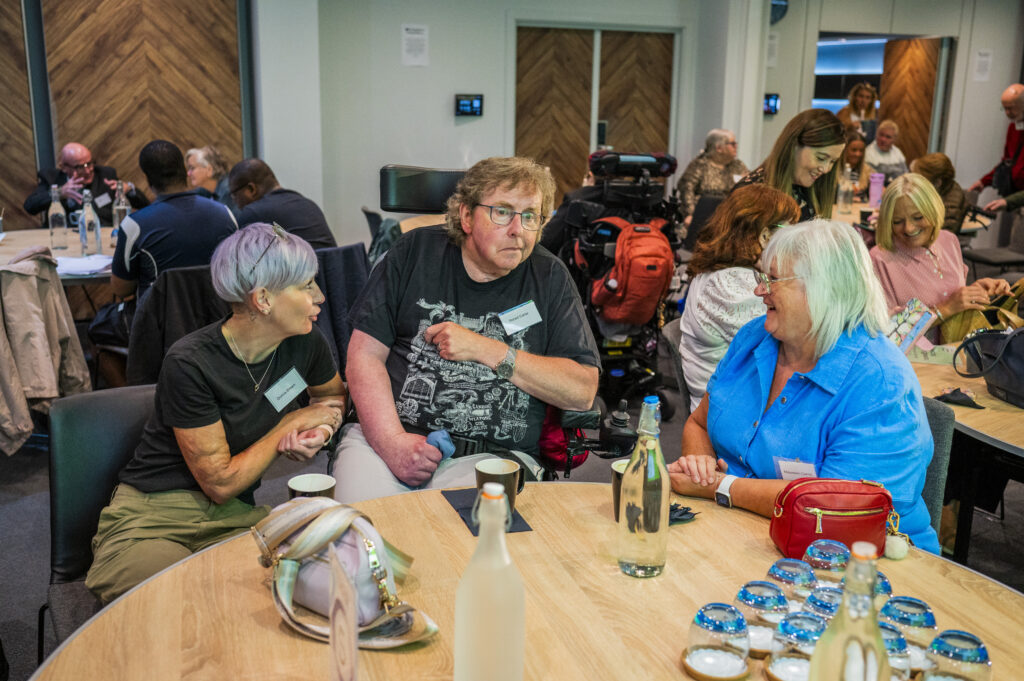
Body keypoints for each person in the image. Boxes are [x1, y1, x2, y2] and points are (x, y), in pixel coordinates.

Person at [85, 223, 347, 603]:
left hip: (235, 517)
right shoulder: (191, 362)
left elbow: (333, 400)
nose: (320, 296)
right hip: (157, 515)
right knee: (172, 603)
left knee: (294, 591)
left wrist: (322, 430)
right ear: (263, 299)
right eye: (307, 286)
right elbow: (219, 482)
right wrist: (289, 425)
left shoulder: (305, 342)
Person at [332, 156, 600, 502]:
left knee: (465, 542)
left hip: (492, 457)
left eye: (531, 216)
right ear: (466, 216)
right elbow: (363, 357)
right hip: (385, 439)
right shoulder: (412, 254)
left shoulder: (550, 278)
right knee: (359, 531)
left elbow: (581, 391)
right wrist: (393, 443)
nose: (518, 229)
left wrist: (486, 349)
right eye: (502, 212)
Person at [667, 218, 940, 553]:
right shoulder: (755, 338)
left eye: (773, 280)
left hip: (859, 562)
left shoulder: (881, 383)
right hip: (742, 536)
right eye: (760, 276)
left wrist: (721, 486)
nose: (758, 290)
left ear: (825, 289)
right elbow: (699, 423)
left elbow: (833, 506)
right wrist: (700, 464)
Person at [677, 185, 799, 413]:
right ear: (764, 237)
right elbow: (790, 347)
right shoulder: (731, 286)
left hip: (733, 399)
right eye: (789, 231)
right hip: (729, 412)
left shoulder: (723, 273)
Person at [870, 174, 1010, 339]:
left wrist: (974, 292)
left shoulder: (948, 240)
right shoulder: (879, 259)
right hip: (914, 362)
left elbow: (950, 294)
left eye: (918, 217)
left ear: (933, 210)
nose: (908, 228)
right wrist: (944, 309)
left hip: (957, 352)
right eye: (897, 221)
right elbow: (888, 332)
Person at [111, 140, 238, 300]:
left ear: (148, 178)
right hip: (219, 318)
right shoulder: (225, 214)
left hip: (161, 321)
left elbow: (121, 289)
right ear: (184, 171)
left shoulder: (134, 225)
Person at [733, 109, 846, 221]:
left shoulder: (807, 188)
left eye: (833, 162)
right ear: (794, 146)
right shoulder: (751, 195)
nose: (826, 169)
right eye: (820, 158)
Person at [22, 142, 149, 224]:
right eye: (80, 167)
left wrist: (130, 190)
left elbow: (145, 205)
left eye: (89, 163)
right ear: (64, 167)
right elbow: (30, 206)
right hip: (66, 239)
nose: (88, 170)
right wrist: (58, 193)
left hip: (103, 237)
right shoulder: (52, 178)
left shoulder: (105, 174)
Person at [229, 159, 337, 250]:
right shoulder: (308, 203)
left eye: (234, 194)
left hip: (302, 274)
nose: (234, 201)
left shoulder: (253, 213)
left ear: (251, 189)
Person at [675, 129, 749, 227]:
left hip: (730, 217)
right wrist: (690, 214)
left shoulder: (738, 165)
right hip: (703, 217)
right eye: (732, 144)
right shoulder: (700, 165)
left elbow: (750, 187)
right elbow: (686, 190)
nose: (736, 146)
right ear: (719, 148)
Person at [969, 83, 1024, 195]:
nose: (1007, 113)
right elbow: (1007, 162)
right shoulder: (1013, 127)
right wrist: (983, 181)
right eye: (1004, 108)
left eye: (1011, 108)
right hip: (1013, 192)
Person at [910, 153, 968, 234]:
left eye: (922, 180)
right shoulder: (943, 190)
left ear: (937, 183)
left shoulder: (950, 208)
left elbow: (939, 240)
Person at [186, 145, 237, 215]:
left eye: (192, 168)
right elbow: (186, 198)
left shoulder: (228, 191)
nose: (188, 173)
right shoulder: (206, 188)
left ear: (209, 170)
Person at [841, 130, 875, 199]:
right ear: (845, 149)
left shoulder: (868, 170)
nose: (858, 154)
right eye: (854, 150)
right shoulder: (833, 169)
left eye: (861, 150)